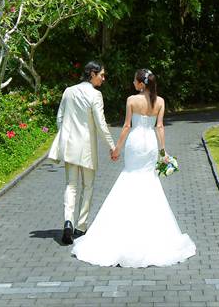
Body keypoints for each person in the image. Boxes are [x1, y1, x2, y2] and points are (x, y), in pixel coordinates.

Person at [72, 68, 196, 267]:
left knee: (129, 177)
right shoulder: (160, 102)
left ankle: (124, 228)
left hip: (135, 142)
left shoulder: (132, 100)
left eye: (135, 80)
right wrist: (163, 152)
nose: (133, 83)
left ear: (141, 84)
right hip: (150, 145)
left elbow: (127, 126)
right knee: (149, 180)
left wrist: (116, 149)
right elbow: (160, 127)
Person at [47, 61, 116, 245]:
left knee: (71, 186)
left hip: (70, 146)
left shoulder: (68, 91)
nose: (103, 78)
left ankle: (68, 221)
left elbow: (60, 118)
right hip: (86, 148)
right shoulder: (95, 94)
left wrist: (65, 136)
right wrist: (112, 145)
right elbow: (101, 124)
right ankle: (81, 225)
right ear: (92, 74)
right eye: (101, 74)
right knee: (88, 186)